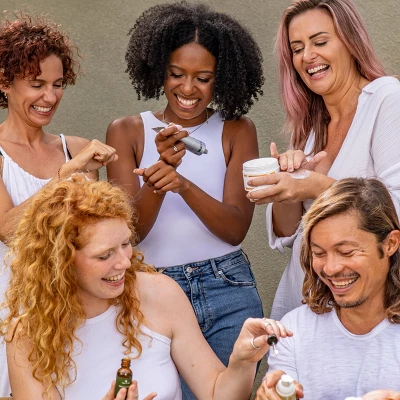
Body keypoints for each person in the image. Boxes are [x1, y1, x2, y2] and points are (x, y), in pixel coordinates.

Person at [0, 176, 290, 400]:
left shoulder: (159, 293)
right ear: (61, 263)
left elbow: (217, 394)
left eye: (125, 244)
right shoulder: (27, 336)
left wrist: (241, 361)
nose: (125, 262)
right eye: (105, 255)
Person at [106, 3, 264, 397]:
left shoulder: (237, 130)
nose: (188, 88)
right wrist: (161, 175)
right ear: (159, 69)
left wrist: (183, 184)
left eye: (203, 78)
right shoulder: (127, 132)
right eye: (176, 74)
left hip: (227, 289)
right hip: (152, 291)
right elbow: (130, 234)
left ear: (221, 79)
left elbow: (234, 229)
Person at [246, 0, 400, 320]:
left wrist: (317, 186)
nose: (307, 56)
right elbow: (290, 236)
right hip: (301, 305)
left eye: (320, 42)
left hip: (361, 312)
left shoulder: (386, 98)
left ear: (350, 42)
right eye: (297, 48)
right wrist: (288, 185)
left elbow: (395, 208)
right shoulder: (311, 128)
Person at [0, 12, 117, 396]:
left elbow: (94, 240)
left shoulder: (77, 148)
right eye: (36, 84)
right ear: (4, 82)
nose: (49, 97)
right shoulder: (71, 161)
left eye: (57, 84)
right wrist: (66, 175)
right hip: (10, 315)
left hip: (72, 317)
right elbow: (8, 229)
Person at [255, 177, 400, 400]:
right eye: (319, 253)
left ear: (390, 244)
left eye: (346, 252)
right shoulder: (294, 330)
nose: (330, 269)